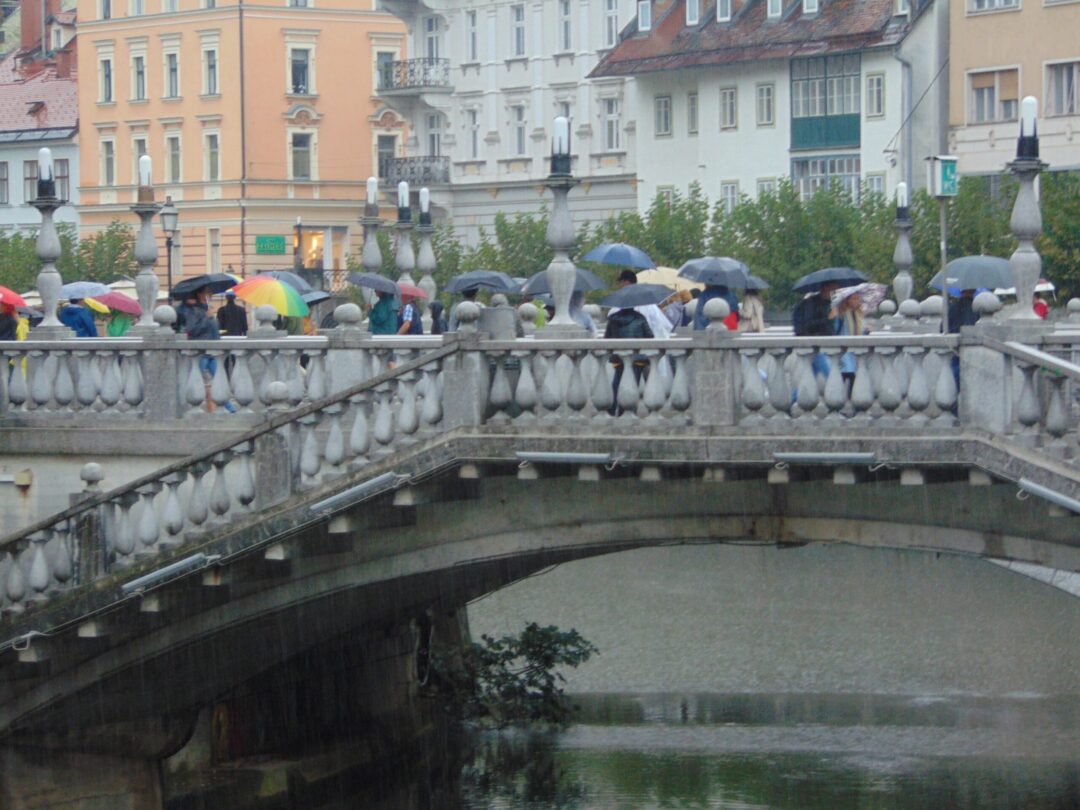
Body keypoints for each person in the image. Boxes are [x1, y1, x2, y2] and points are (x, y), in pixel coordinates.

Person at [612, 270, 672, 338]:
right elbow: (665, 326)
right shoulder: (649, 304)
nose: (619, 286)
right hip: (650, 343)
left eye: (620, 283)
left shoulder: (616, 309)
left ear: (625, 282)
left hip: (622, 343)